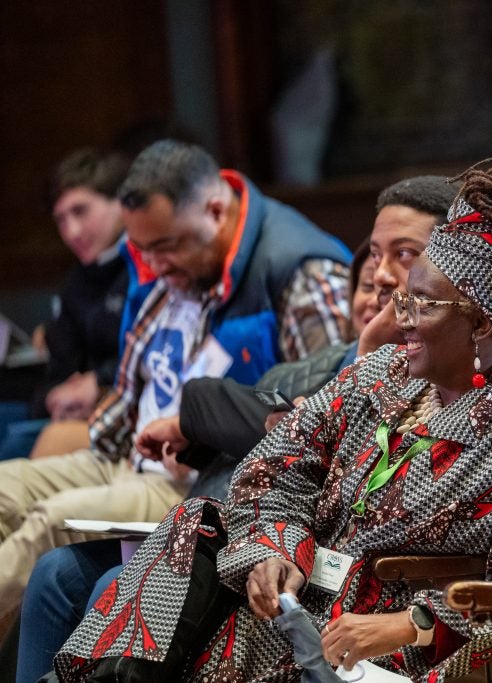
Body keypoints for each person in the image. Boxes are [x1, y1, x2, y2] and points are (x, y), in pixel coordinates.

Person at [56, 151, 492, 680]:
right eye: (405, 299)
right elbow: (275, 468)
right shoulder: (378, 374)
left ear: (482, 324)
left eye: (422, 304)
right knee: (191, 523)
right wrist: (275, 550)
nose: (401, 318)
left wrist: (413, 624)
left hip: (372, 652)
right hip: (282, 614)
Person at [14, 175, 457, 683]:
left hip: (316, 572)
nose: (379, 279)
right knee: (57, 570)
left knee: (107, 576)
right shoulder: (318, 369)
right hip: (236, 533)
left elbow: (294, 445)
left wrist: (358, 367)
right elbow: (214, 404)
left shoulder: (452, 393)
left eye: (404, 256)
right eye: (370, 263)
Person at [0, 140, 352, 631]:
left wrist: (197, 432)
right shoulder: (172, 260)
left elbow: (326, 418)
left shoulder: (301, 273)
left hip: (199, 481)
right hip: (126, 456)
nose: (155, 265)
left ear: (215, 211)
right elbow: (130, 391)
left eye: (165, 246)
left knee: (47, 523)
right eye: (142, 250)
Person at [0, 149, 130, 461]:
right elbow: (58, 370)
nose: (71, 231)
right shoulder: (76, 283)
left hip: (122, 411)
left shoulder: (150, 269)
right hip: (72, 414)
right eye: (60, 219)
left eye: (80, 211)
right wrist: (56, 397)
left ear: (120, 202)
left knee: (16, 446)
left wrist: (98, 382)